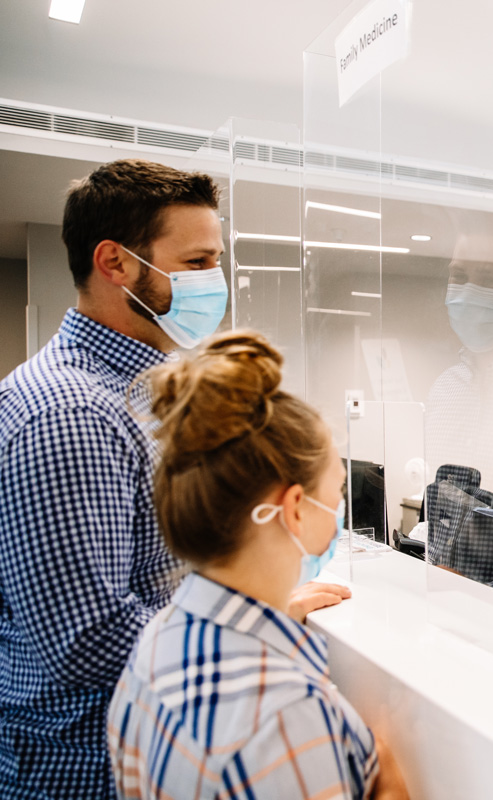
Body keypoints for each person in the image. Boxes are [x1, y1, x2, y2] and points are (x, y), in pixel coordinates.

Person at [0, 159, 346, 798]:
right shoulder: (71, 413)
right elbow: (86, 637)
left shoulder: (131, 393)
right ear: (116, 264)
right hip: (79, 772)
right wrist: (241, 622)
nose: (212, 282)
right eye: (195, 263)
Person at [108, 331, 407, 799]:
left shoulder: (156, 640)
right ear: (293, 510)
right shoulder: (284, 716)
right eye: (338, 489)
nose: (341, 506)